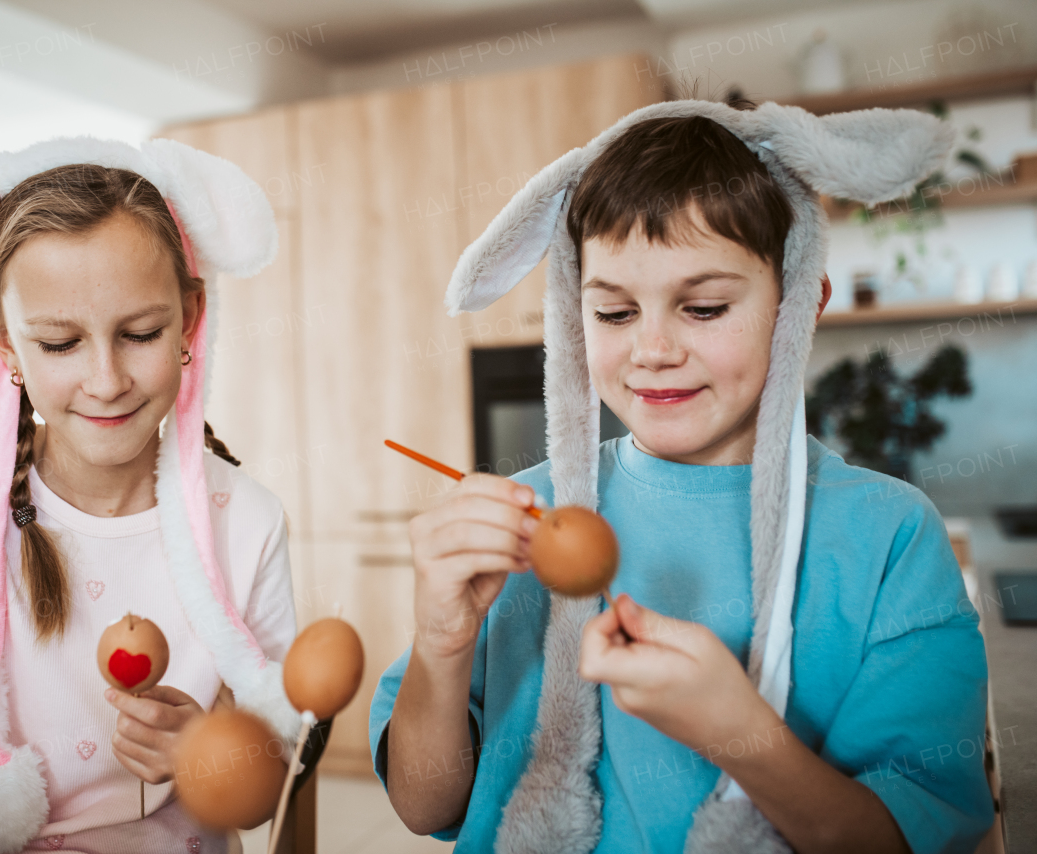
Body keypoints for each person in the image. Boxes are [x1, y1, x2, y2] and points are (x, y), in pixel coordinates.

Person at [370, 100, 994, 853]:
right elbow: (423, 804)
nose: (653, 350)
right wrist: (442, 643)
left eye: (702, 307)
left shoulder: (890, 539)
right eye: (614, 313)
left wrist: (741, 734)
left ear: (799, 304)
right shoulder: (518, 523)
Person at [0, 139, 311, 854]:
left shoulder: (249, 520)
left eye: (140, 332)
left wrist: (210, 753)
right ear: (2, 339)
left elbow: (270, 792)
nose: (106, 380)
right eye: (58, 344)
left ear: (190, 319)